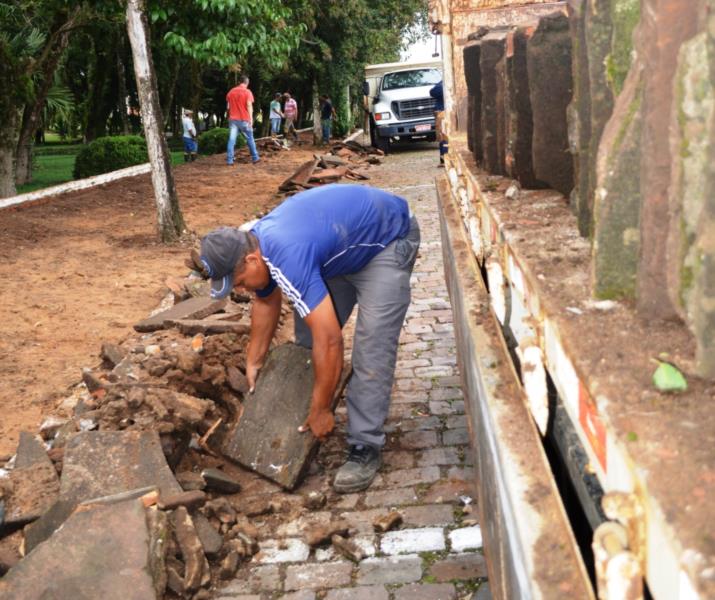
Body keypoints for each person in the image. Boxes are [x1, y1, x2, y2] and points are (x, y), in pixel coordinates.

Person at [197, 184, 420, 493]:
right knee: (305, 338)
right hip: (339, 250)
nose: (241, 290)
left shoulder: (285, 254)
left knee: (371, 348)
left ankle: (364, 445)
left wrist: (323, 408)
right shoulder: (253, 243)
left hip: (387, 240)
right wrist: (254, 360)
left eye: (239, 283)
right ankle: (301, 423)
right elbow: (265, 299)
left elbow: (330, 341)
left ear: (251, 261)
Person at [226, 75, 260, 165]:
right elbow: (249, 105)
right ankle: (255, 158)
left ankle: (229, 160)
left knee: (231, 140)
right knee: (250, 139)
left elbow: (228, 107)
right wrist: (251, 119)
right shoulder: (247, 92)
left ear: (239, 82)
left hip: (233, 120)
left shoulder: (231, 92)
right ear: (247, 83)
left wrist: (229, 116)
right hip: (244, 120)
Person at [429, 80, 448, 165]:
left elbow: (433, 92)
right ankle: (443, 157)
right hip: (442, 111)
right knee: (443, 136)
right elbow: (433, 92)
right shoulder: (443, 82)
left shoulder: (443, 84)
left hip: (444, 111)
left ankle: (445, 157)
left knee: (444, 136)